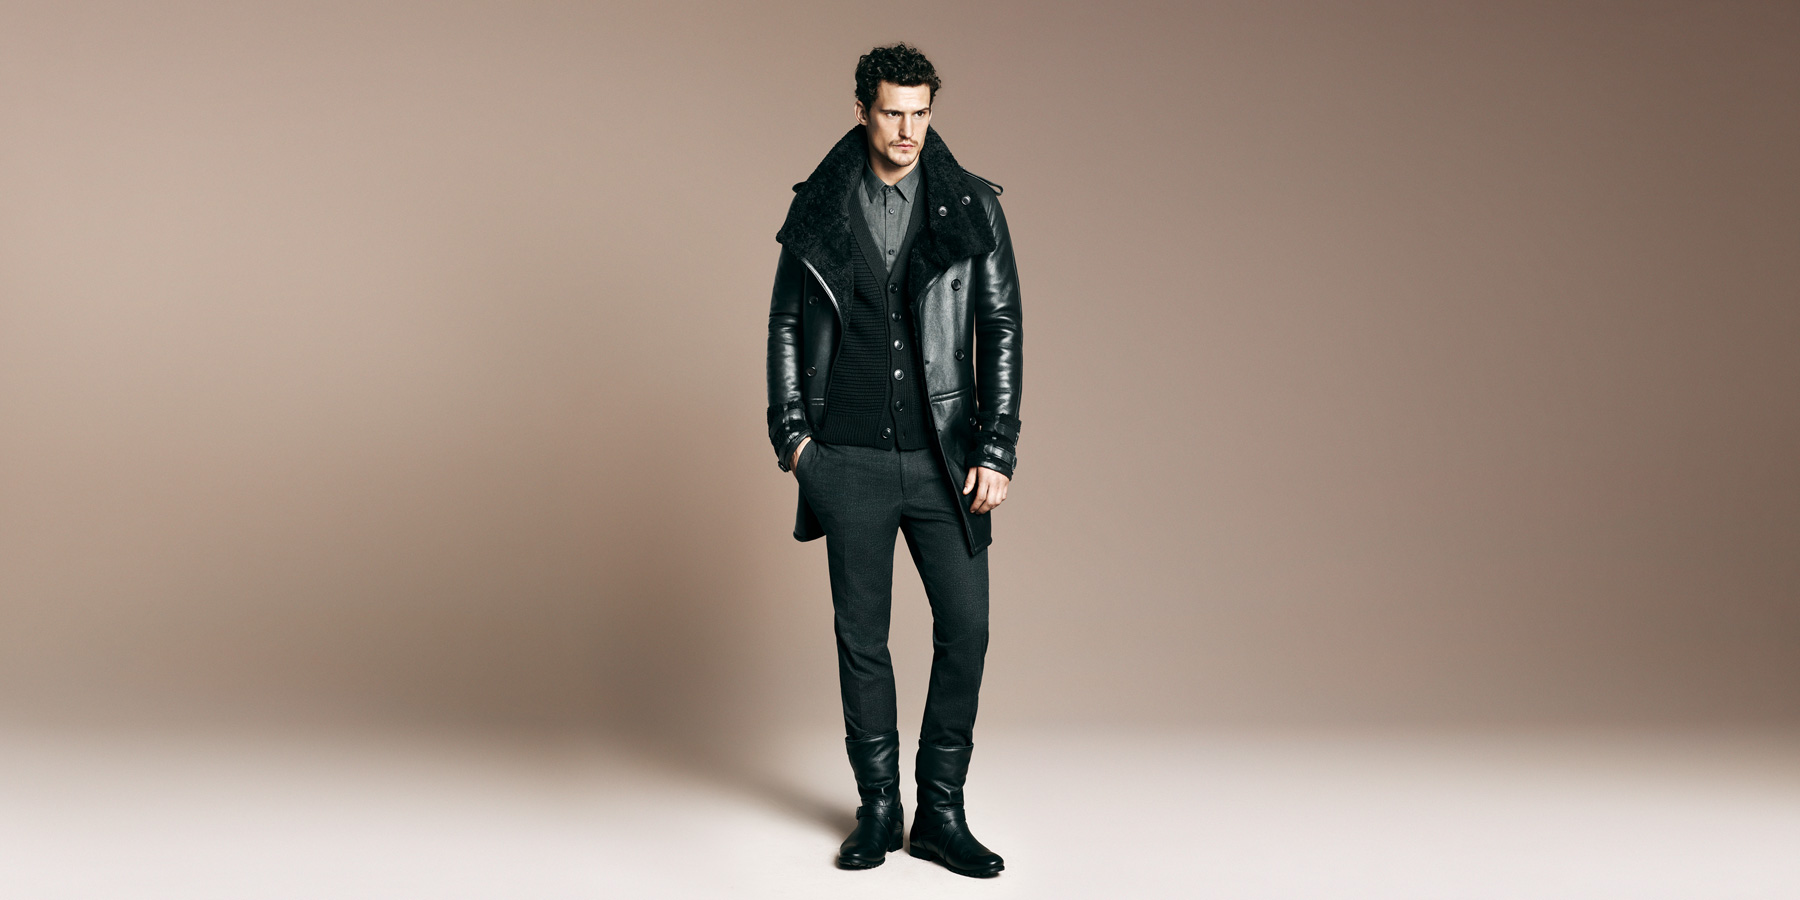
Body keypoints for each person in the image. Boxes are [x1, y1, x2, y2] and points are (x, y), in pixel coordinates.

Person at [765, 43, 1023, 877]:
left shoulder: (972, 205)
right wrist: (795, 442)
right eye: (892, 113)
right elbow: (786, 323)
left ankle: (940, 812)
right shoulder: (820, 205)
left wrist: (996, 446)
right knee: (862, 641)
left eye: (920, 113)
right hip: (845, 461)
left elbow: (1001, 326)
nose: (907, 130)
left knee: (968, 630)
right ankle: (879, 809)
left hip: (947, 459)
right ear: (862, 112)